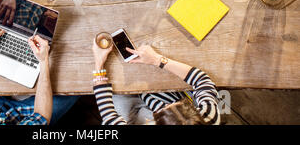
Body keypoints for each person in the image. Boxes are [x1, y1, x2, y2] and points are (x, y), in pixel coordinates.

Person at [91, 37, 221, 125]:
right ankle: (147, 98)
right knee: (164, 93)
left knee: (117, 101)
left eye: (165, 107)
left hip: (140, 118)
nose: (165, 105)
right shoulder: (209, 117)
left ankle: (145, 100)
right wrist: (156, 59)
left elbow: (109, 118)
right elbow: (202, 80)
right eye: (176, 105)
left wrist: (99, 63)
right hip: (151, 114)